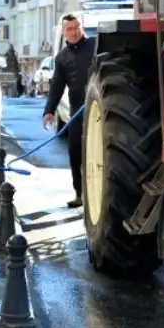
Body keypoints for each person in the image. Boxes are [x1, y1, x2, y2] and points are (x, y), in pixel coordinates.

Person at [43, 14, 94, 209]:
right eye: (70, 29)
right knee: (75, 153)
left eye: (77, 27)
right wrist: (49, 110)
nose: (74, 31)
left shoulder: (95, 45)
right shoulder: (62, 57)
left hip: (101, 107)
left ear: (82, 28)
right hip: (77, 111)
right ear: (63, 32)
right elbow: (57, 86)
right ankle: (79, 193)